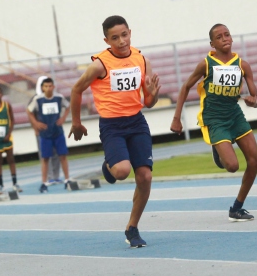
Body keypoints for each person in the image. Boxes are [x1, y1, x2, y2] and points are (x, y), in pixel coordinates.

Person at [68, 16, 159, 248]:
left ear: (130, 32)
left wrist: (153, 93)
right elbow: (77, 89)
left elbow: (148, 102)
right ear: (107, 40)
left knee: (145, 177)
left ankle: (132, 227)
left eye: (124, 35)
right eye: (115, 38)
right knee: (121, 171)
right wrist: (76, 122)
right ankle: (109, 164)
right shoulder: (100, 64)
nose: (121, 41)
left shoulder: (141, 59)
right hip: (112, 125)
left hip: (137, 122)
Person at [170, 24, 257, 221]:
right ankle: (218, 149)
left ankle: (236, 208)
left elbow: (256, 98)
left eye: (227, 34)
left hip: (235, 116)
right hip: (215, 118)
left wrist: (253, 101)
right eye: (219, 37)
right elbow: (185, 87)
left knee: (255, 160)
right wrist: (177, 118)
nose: (224, 38)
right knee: (232, 166)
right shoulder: (206, 64)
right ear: (212, 43)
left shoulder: (242, 65)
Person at [28, 77, 72, 193]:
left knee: (63, 156)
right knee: (45, 158)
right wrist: (36, 123)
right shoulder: (38, 99)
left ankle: (67, 179)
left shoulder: (59, 97)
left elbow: (68, 106)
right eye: (45, 86)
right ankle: (44, 183)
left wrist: (63, 118)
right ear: (42, 88)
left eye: (50, 86)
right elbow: (29, 111)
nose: (48, 88)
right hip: (45, 133)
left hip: (58, 131)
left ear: (53, 87)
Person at [0, 85, 21, 194]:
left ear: (2, 94)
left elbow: (13, 120)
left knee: (11, 159)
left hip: (7, 137)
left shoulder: (7, 106)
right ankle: (1, 185)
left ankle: (15, 183)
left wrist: (9, 133)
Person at [31, 76, 62, 184]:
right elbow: (32, 113)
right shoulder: (36, 98)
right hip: (43, 133)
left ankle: (56, 176)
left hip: (55, 131)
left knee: (57, 154)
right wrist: (35, 127)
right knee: (45, 156)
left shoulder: (54, 97)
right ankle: (48, 177)